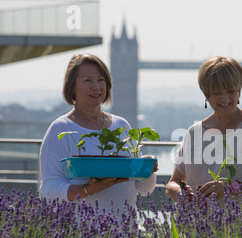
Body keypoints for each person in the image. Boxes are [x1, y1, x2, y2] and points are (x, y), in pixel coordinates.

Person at [40, 53, 158, 215]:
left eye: (101, 80)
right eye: (88, 80)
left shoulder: (122, 125)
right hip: (80, 235)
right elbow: (48, 191)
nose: (96, 86)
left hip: (127, 234)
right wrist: (87, 190)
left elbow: (143, 189)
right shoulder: (60, 129)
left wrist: (148, 171)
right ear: (72, 86)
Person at [166, 56, 242, 202]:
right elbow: (172, 183)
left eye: (231, 91)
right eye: (217, 93)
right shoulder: (193, 133)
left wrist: (230, 188)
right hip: (196, 223)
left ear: (239, 91)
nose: (225, 99)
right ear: (207, 95)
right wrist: (181, 194)